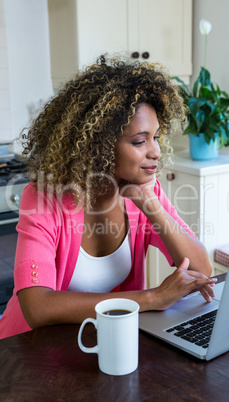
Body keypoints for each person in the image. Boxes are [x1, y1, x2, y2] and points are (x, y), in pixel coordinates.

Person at [0, 55, 216, 339]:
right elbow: (37, 307)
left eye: (156, 137)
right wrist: (151, 298)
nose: (156, 152)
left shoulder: (143, 192)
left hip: (101, 342)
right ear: (98, 145)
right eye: (139, 141)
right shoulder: (43, 198)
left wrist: (150, 205)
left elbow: (202, 270)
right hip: (29, 351)